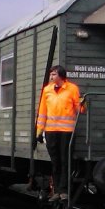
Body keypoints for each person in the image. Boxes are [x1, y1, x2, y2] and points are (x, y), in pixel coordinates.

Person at [35, 65, 83, 201]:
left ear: (61, 76)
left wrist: (82, 104)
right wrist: (39, 130)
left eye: (54, 74)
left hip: (66, 132)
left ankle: (64, 191)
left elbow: (80, 109)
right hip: (51, 132)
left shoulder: (72, 89)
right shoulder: (47, 90)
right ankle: (56, 191)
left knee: (65, 161)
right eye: (51, 74)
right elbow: (42, 112)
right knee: (55, 162)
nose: (51, 77)